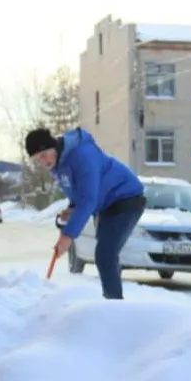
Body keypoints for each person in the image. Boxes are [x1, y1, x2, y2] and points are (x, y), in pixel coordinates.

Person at [25, 126, 147, 299]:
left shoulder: (82, 155)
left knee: (105, 255)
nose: (44, 162)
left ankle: (115, 308)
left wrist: (67, 237)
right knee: (104, 256)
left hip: (126, 199)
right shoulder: (59, 164)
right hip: (105, 203)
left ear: (53, 146)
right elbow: (79, 192)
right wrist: (73, 208)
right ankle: (111, 301)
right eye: (38, 160)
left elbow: (89, 200)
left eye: (44, 155)